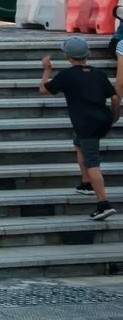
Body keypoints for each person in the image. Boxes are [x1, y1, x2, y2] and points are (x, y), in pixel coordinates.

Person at [44, 35, 118, 221]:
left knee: (92, 161)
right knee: (79, 144)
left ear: (68, 56)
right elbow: (115, 97)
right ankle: (86, 183)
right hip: (103, 119)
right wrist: (115, 116)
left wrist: (47, 70)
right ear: (88, 54)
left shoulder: (67, 75)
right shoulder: (97, 73)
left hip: (86, 123)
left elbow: (44, 89)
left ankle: (103, 203)